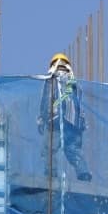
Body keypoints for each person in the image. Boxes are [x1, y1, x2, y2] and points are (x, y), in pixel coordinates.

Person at [38, 52, 91, 181]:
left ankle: (51, 175)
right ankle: (84, 174)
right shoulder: (75, 84)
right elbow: (80, 106)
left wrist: (42, 119)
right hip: (74, 126)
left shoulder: (51, 80)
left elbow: (46, 100)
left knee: (49, 149)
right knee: (73, 151)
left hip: (56, 122)